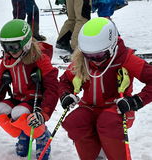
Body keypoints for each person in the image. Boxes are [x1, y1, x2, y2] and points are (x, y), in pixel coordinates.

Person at [59, 17, 152, 159]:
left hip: (119, 108)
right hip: (90, 107)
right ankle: (95, 155)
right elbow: (65, 80)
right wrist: (65, 94)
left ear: (112, 45)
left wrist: (136, 101)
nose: (93, 60)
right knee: (75, 122)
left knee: (107, 122)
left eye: (99, 55)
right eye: (88, 55)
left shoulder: (125, 58)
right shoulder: (83, 60)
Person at [0, 19, 59, 160]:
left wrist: (44, 113)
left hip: (35, 101)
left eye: (14, 47)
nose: (10, 51)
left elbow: (53, 88)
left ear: (26, 43)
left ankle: (41, 135)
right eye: (6, 47)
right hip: (18, 98)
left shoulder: (40, 58)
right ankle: (24, 133)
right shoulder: (8, 59)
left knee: (19, 112)